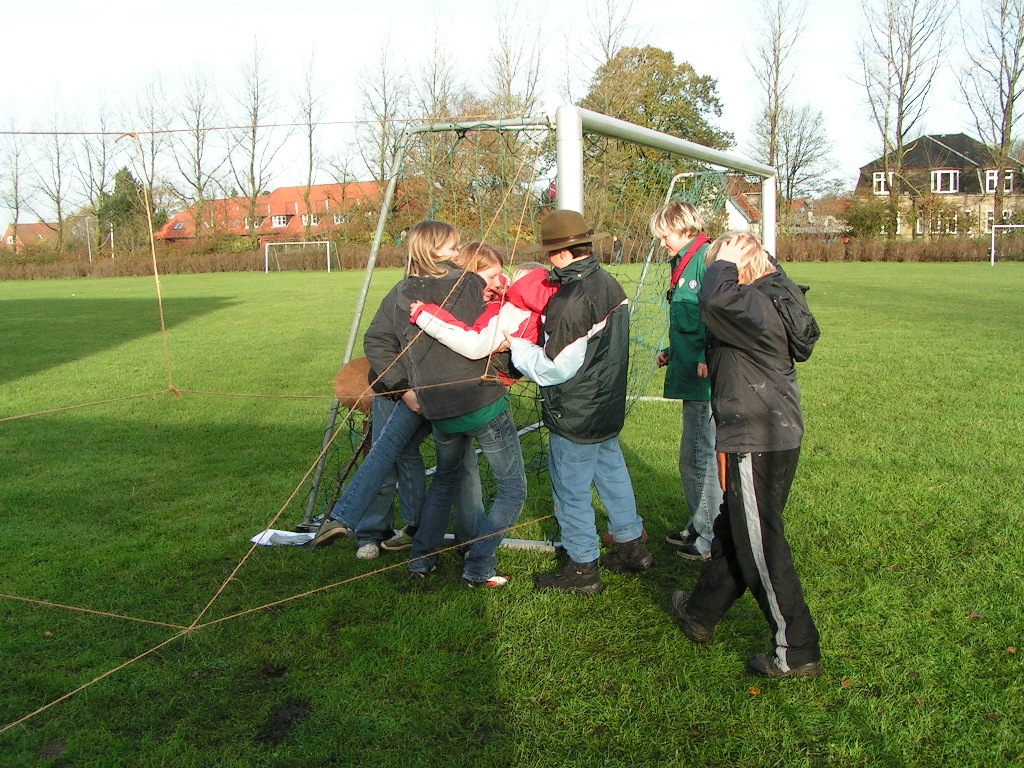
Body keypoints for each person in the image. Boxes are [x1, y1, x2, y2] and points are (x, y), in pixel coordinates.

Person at [669, 231, 823, 679]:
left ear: (740, 268)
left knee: (761, 543)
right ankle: (701, 612)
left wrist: (725, 262)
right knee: (735, 529)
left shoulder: (754, 302)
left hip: (757, 437)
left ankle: (797, 650)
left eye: (723, 268)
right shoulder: (774, 294)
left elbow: (714, 302)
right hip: (772, 431)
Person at [308, 236, 506, 559]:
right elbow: (378, 341)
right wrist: (403, 389)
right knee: (394, 455)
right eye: (490, 277)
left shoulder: (473, 295)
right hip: (413, 393)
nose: (496, 284)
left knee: (449, 467)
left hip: (445, 395)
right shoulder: (412, 292)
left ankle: (425, 537)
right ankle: (372, 532)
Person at [509, 209, 652, 595]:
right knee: (612, 473)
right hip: (606, 403)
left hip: (575, 411)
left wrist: (517, 346)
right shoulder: (607, 283)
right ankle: (632, 547)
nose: (547, 261)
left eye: (548, 253)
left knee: (570, 488)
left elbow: (554, 368)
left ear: (561, 253)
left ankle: (582, 568)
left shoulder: (571, 300)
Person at [391, 225, 527, 588]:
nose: (456, 251)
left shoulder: (409, 291)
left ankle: (421, 558)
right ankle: (478, 565)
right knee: (513, 488)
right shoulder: (467, 289)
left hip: (438, 407)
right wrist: (503, 308)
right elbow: (478, 341)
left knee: (445, 479)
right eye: (450, 246)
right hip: (479, 402)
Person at [649, 201, 723, 562]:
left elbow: (720, 316)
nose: (662, 243)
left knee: (699, 458)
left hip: (704, 383)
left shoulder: (707, 261)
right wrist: (672, 351)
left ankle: (709, 537)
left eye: (666, 235)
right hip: (690, 374)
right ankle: (698, 524)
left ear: (686, 228)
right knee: (691, 457)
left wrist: (709, 355)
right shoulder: (682, 262)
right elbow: (689, 322)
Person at [409, 260, 556, 365]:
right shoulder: (538, 309)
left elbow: (474, 345)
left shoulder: (515, 315)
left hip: (481, 379)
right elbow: (507, 286)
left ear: (521, 286)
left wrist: (425, 314)